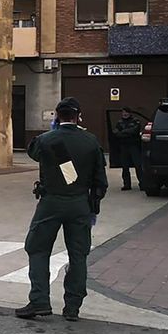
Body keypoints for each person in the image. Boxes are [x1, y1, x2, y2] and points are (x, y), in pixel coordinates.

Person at [17, 97, 108, 322]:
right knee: (78, 255)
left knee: (37, 249)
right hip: (79, 203)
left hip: (51, 203)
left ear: (57, 116)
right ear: (78, 117)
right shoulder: (91, 141)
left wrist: (52, 135)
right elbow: (100, 181)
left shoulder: (46, 140)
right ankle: (72, 307)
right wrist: (92, 206)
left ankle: (39, 300)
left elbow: (32, 152)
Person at [114, 106, 144, 191]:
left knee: (138, 165)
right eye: (123, 112)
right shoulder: (119, 122)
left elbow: (135, 131)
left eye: (126, 112)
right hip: (124, 147)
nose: (125, 114)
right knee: (125, 166)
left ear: (130, 113)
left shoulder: (135, 121)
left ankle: (142, 183)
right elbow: (116, 132)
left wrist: (123, 132)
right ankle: (127, 185)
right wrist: (127, 133)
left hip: (134, 146)